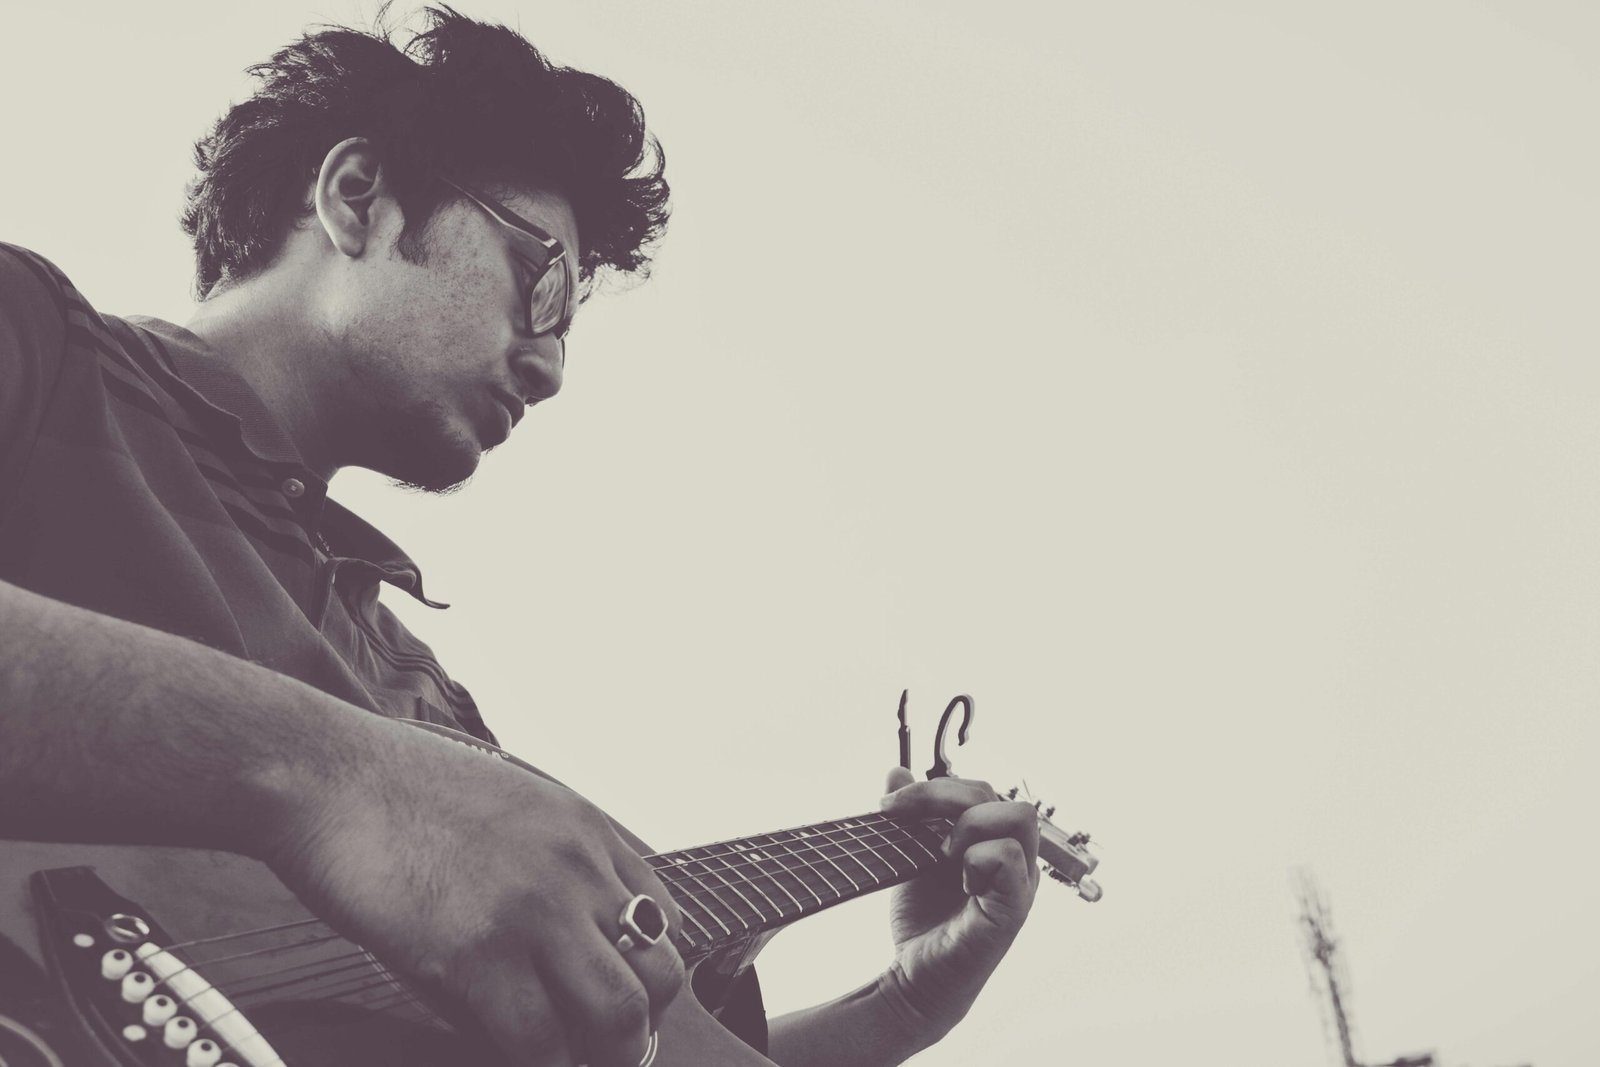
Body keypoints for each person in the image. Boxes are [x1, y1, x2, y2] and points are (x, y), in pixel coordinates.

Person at [0, 8, 1041, 1065]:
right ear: (357, 198)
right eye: (540, 284)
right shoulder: (39, 342)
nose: (549, 369)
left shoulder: (427, 707)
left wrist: (901, 1005)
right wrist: (344, 779)